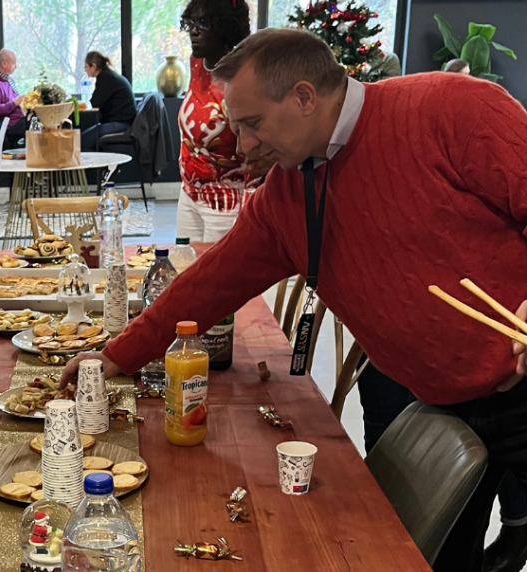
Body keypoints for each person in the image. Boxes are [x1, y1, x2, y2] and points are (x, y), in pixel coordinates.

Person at [59, 28, 527, 572]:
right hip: (433, 395)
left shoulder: (452, 108)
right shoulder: (288, 191)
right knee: (434, 558)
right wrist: (119, 354)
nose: (245, 145)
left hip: (519, 388)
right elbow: (210, 282)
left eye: (253, 124)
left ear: (305, 97)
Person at [175, 0, 261, 243]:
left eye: (204, 23)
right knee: (185, 269)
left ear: (225, 28)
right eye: (192, 22)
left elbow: (258, 145)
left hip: (225, 202)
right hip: (189, 193)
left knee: (217, 276)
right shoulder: (196, 64)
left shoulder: (242, 77)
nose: (194, 30)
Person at [80, 51, 136, 150]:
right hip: (123, 121)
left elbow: (95, 103)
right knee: (84, 137)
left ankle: (94, 164)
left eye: (86, 67)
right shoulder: (108, 75)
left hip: (121, 124)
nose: (86, 70)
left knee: (83, 141)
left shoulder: (105, 78)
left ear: (93, 66)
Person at [0, 49, 27, 142]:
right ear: (4, 64)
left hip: (20, 119)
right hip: (12, 125)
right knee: (37, 127)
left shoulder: (9, 80)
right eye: (14, 64)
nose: (16, 67)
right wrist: (14, 103)